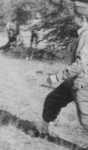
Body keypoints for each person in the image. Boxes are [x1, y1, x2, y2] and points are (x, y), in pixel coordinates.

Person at [37, 1, 88, 135]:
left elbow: (80, 64)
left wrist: (57, 76)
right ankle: (43, 131)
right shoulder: (82, 35)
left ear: (82, 19)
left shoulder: (86, 36)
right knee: (52, 99)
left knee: (85, 119)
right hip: (73, 81)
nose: (72, 20)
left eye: (74, 17)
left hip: (82, 84)